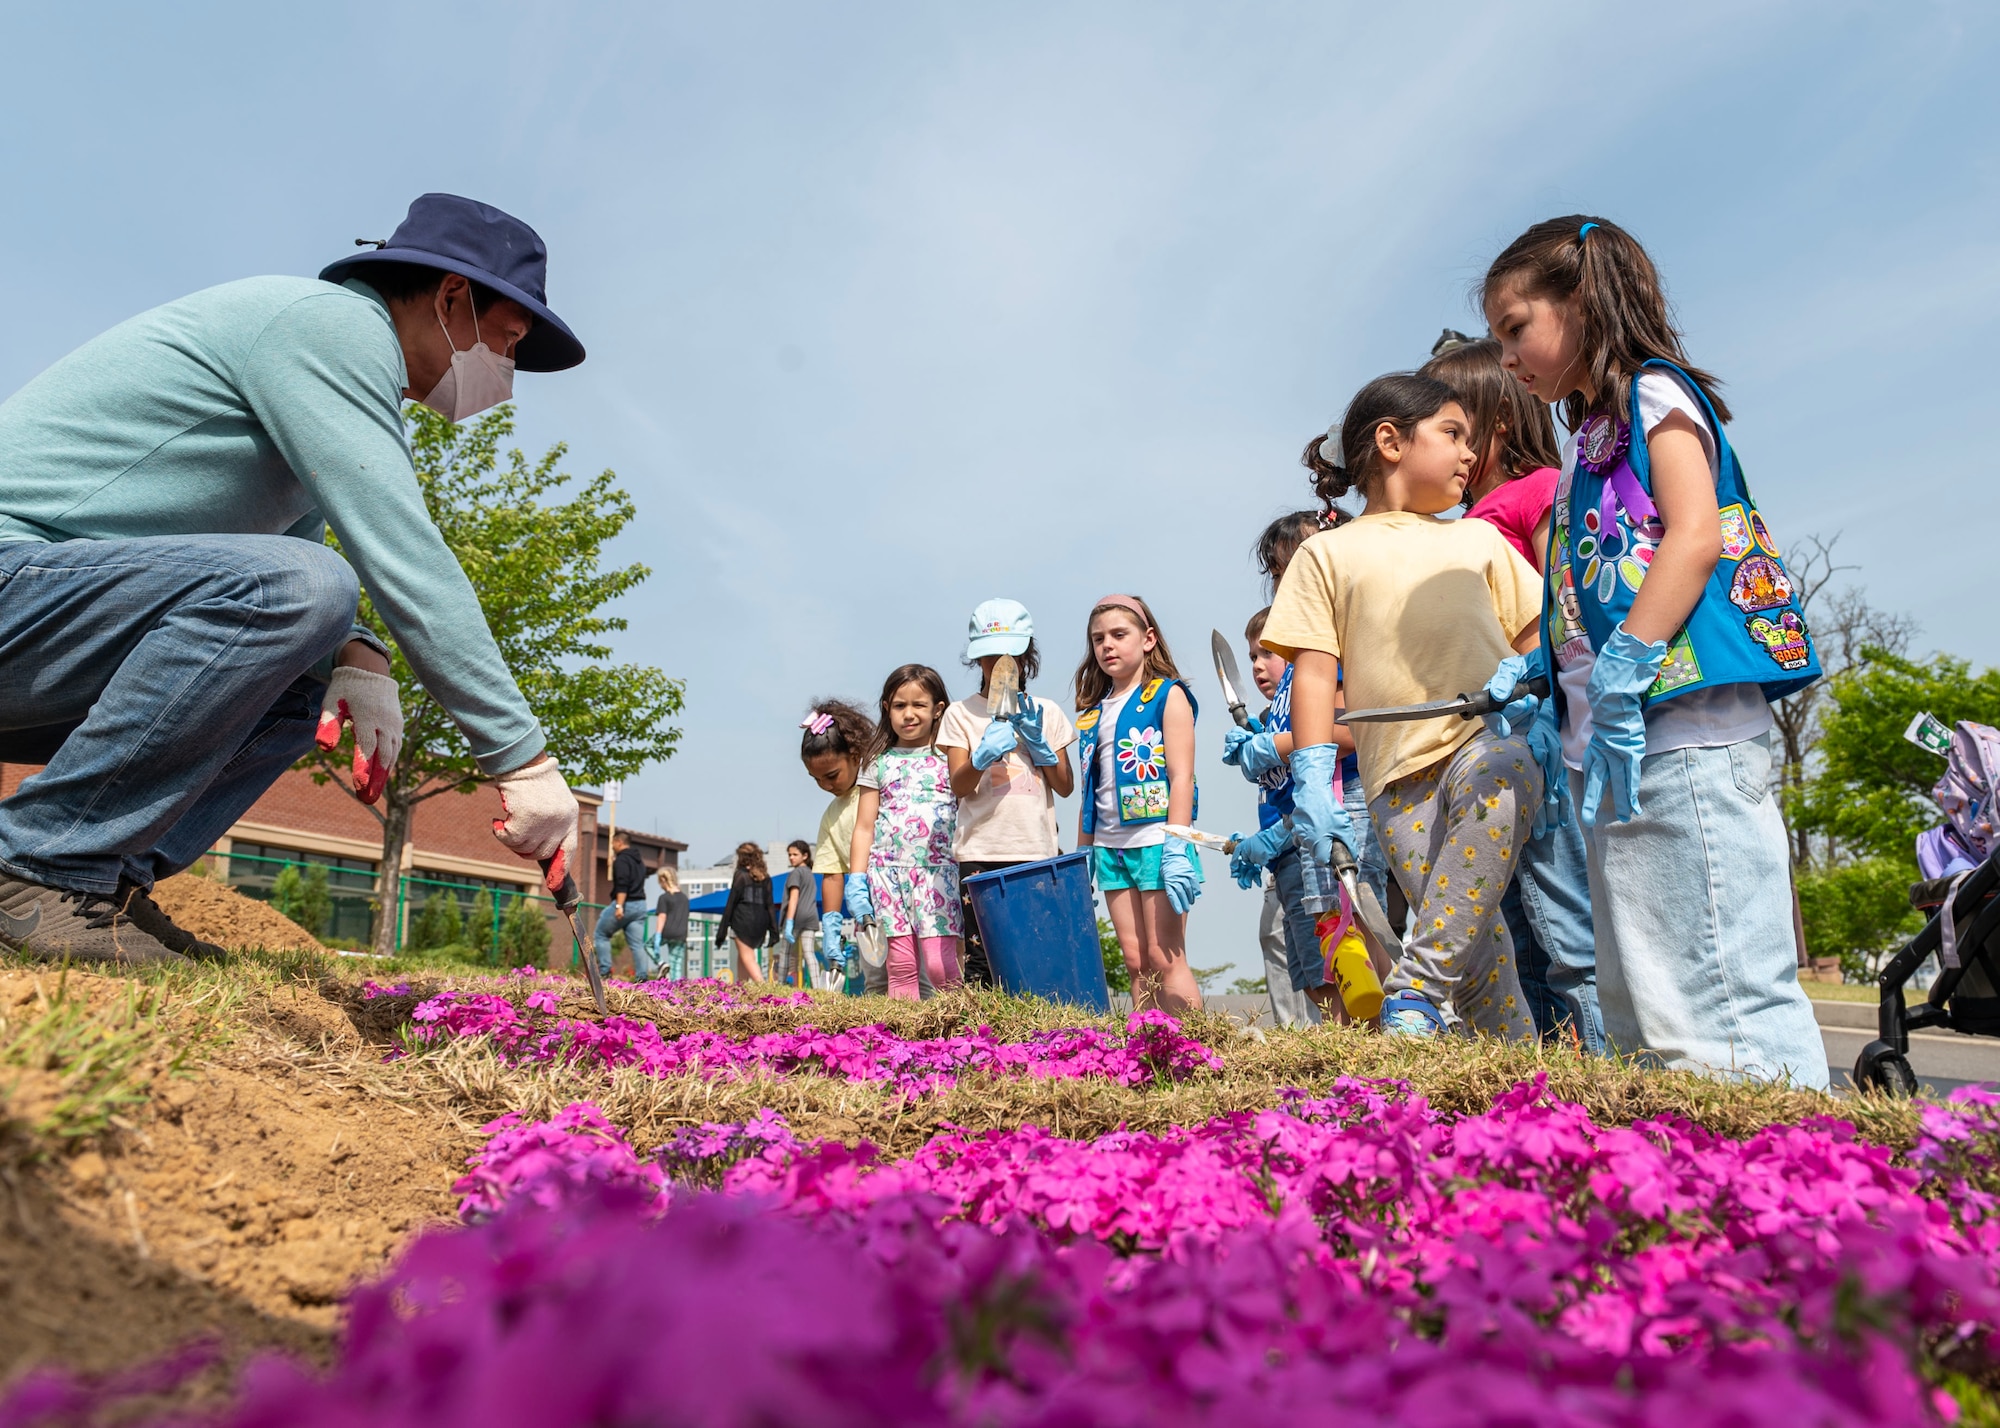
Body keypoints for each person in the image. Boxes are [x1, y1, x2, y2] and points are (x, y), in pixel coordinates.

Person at [0, 193, 586, 962]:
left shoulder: (325, 378)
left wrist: (359, 653)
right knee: (301, 588)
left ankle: (100, 881)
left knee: (304, 667)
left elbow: (290, 563)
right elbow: (398, 551)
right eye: (506, 342)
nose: (503, 373)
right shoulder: (329, 327)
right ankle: (38, 864)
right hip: (21, 580)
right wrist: (520, 757)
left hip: (51, 617)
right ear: (451, 298)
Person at [1480, 215, 1825, 1087]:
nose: (1509, 356)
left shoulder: (1655, 396)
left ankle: (1796, 1182)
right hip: (1616, 750)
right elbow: (1594, 577)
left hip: (1690, 741)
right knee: (1650, 1006)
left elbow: (1695, 535)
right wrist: (1550, 668)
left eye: (1516, 327)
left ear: (1583, 302)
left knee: (1725, 1001)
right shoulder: (1586, 440)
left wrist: (1629, 663)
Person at [1262, 373, 1544, 1040]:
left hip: (1481, 742)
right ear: (1390, 441)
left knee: (1502, 765)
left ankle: (1411, 986)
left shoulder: (1475, 540)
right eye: (1452, 435)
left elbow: (1536, 633)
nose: (1468, 454)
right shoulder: (1326, 553)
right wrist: (1311, 775)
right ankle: (1524, 1091)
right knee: (1472, 951)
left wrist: (1534, 688)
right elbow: (1313, 670)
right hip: (1394, 783)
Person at [1422, 338, 1604, 1054]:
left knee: (1568, 938)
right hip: (1487, 760)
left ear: (1497, 420)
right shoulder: (1465, 520)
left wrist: (1537, 687)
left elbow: (1564, 604)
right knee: (1517, 941)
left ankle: (1608, 1085)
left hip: (1543, 748)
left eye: (1451, 425)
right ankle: (1556, 1102)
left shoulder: (1539, 489)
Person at [1225, 509, 1394, 1024]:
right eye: (1278, 575)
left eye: (1291, 568)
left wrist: (1276, 745)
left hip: (1347, 811)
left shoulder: (1338, 641)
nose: (1282, 586)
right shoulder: (1299, 659)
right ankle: (1345, 1060)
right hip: (1305, 826)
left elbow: (1353, 730)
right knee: (1327, 953)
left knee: (1359, 935)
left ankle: (1390, 1044)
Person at [938, 599, 1077, 987]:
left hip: (1037, 851)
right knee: (982, 960)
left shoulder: (1046, 712)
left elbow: (1065, 786)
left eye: (1009, 654)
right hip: (981, 852)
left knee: (1041, 952)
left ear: (1025, 655)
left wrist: (1040, 746)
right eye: (989, 656)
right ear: (976, 659)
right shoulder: (960, 714)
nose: (1000, 662)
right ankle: (982, 1044)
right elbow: (959, 787)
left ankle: (1041, 1042)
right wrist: (980, 757)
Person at [1073, 595, 1203, 1013]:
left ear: (1148, 639)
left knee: (1165, 956)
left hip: (1156, 841)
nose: (1107, 645)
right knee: (1135, 961)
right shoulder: (1092, 713)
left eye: (1118, 634)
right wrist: (1083, 850)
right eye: (1098, 639)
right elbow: (1089, 789)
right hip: (1109, 847)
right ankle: (1148, 1051)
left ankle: (1196, 1052)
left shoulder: (1168, 696)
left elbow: (1182, 776)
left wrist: (1178, 844)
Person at [846, 665, 962, 1000]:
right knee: (901, 966)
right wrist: (857, 878)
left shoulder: (950, 758)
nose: (908, 714)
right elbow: (864, 826)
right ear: (886, 708)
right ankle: (906, 1041)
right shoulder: (876, 761)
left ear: (938, 709)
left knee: (941, 966)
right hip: (887, 876)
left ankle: (958, 1031)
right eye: (899, 706)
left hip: (938, 874)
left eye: (919, 705)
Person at [1236, 607, 1319, 1029]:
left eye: (1266, 653)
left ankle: (1321, 1034)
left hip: (1305, 844)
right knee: (1278, 940)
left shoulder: (1304, 710)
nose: (1256, 666)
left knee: (1321, 952)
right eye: (1252, 656)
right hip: (1280, 850)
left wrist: (1276, 836)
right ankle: (1295, 1035)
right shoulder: (1269, 720)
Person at [800, 700, 882, 994]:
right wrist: (831, 931)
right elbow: (832, 874)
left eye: (831, 775)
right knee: (875, 979)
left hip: (900, 901)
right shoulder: (831, 816)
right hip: (865, 917)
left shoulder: (878, 790)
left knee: (915, 973)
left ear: (856, 755)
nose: (825, 785)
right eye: (816, 779)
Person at [716, 842, 777, 984]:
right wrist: (774, 931)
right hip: (760, 924)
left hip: (742, 921)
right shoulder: (765, 878)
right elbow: (770, 905)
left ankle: (764, 987)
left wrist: (722, 931)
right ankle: (740, 987)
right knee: (743, 957)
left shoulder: (741, 875)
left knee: (748, 957)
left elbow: (731, 903)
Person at [595, 831, 652, 981]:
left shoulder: (621, 861)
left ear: (619, 842)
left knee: (601, 935)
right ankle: (642, 977)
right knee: (637, 944)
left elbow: (623, 883)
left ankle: (605, 972)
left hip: (626, 904)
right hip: (640, 905)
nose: (612, 846)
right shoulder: (638, 861)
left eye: (613, 843)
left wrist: (619, 906)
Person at [778, 839, 815, 988]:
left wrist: (789, 922)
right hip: (811, 917)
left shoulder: (795, 873)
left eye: (795, 854)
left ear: (805, 855)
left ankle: (780, 984)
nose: (791, 857)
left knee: (785, 952)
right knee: (809, 953)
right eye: (789, 855)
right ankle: (818, 986)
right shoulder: (810, 874)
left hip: (796, 917)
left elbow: (793, 898)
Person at [652, 865, 690, 982]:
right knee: (676, 964)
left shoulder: (664, 898)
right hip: (681, 935)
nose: (660, 885)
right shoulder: (684, 898)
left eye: (660, 882)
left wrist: (658, 935)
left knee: (648, 946)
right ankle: (677, 988)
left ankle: (661, 963)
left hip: (667, 932)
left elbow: (662, 916)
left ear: (664, 880)